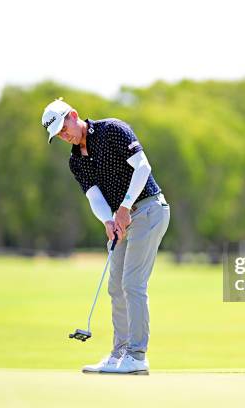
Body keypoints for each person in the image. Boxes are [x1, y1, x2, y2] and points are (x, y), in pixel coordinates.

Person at [41, 98, 170, 375]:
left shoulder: (113, 130)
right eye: (60, 135)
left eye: (64, 128)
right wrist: (108, 220)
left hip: (149, 210)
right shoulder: (76, 161)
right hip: (123, 218)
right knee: (116, 286)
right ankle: (119, 353)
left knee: (132, 283)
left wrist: (124, 207)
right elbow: (94, 195)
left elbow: (143, 168)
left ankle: (137, 356)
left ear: (73, 115)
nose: (65, 136)